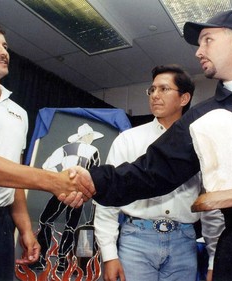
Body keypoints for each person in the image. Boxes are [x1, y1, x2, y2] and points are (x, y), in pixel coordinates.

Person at [67, 10, 232, 280]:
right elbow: (152, 170)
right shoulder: (201, 118)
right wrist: (93, 180)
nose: (198, 52)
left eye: (207, 40)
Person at [0, 18, 82, 281]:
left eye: (5, 45)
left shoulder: (19, 112)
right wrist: (52, 181)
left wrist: (25, 229)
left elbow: (14, 177)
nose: (3, 51)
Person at [94, 64, 224, 281]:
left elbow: (211, 206)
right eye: (152, 90)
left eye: (164, 89)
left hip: (184, 242)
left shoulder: (201, 144)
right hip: (136, 241)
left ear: (184, 99)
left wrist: (213, 260)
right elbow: (108, 198)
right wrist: (109, 255)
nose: (155, 95)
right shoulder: (129, 140)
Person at [33, 123, 103, 273]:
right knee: (73, 226)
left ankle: (41, 258)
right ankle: (65, 261)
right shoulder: (93, 150)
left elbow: (46, 166)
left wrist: (60, 180)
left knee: (45, 221)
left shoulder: (64, 148)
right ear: (88, 136)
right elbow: (95, 175)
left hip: (62, 190)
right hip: (81, 194)